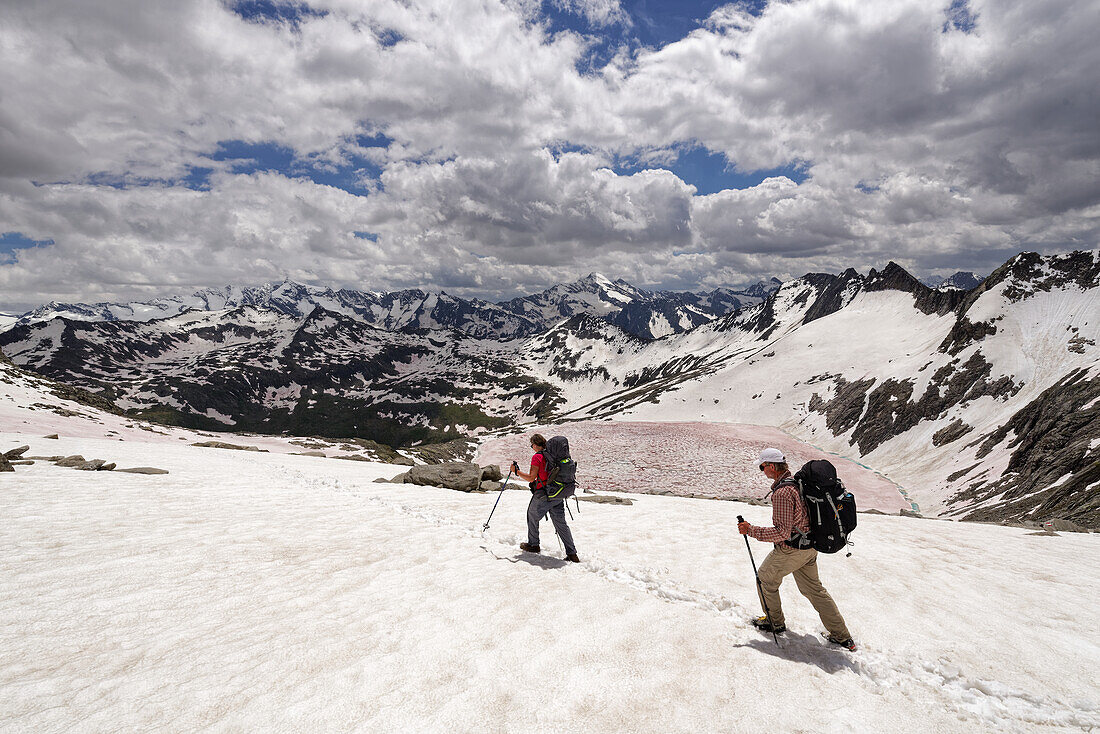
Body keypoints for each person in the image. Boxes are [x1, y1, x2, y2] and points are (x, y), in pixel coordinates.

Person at [738, 447, 854, 648]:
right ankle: (842, 636)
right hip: (810, 548)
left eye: (763, 467)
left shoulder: (783, 492)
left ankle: (774, 622)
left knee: (765, 579)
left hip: (792, 550)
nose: (762, 470)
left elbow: (782, 532)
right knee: (815, 591)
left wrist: (751, 530)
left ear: (772, 466)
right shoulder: (799, 484)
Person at [512, 433, 580, 563]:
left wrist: (516, 471)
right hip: (557, 493)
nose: (531, 447)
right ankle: (572, 553)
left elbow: (531, 477)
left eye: (531, 445)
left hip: (543, 494)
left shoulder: (537, 457)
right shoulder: (554, 456)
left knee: (532, 515)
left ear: (535, 444)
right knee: (561, 524)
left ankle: (533, 545)